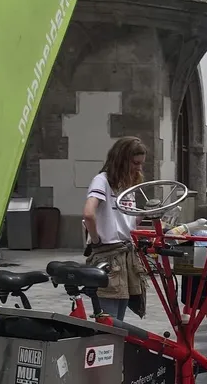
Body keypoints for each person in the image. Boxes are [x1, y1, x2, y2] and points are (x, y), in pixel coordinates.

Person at [82, 136, 148, 323]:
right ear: (121, 160)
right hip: (109, 255)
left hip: (125, 254)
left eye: (141, 164)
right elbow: (88, 213)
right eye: (135, 163)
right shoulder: (102, 181)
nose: (138, 168)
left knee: (118, 321)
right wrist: (96, 240)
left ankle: (116, 350)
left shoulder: (127, 185)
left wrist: (147, 215)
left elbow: (128, 220)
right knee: (109, 322)